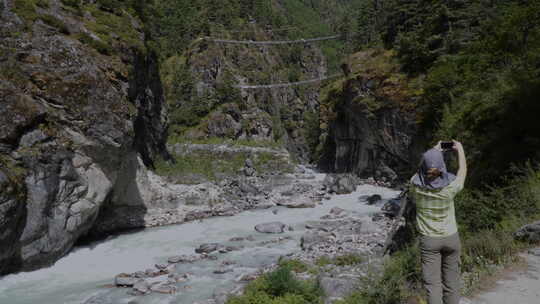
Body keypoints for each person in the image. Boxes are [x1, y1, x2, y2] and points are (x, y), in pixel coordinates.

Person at [409, 140, 467, 304]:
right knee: (452, 282)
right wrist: (460, 150)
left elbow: (418, 172)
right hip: (451, 237)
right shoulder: (450, 188)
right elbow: (463, 170)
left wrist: (434, 151)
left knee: (433, 284)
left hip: (429, 241)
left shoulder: (416, 187)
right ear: (442, 167)